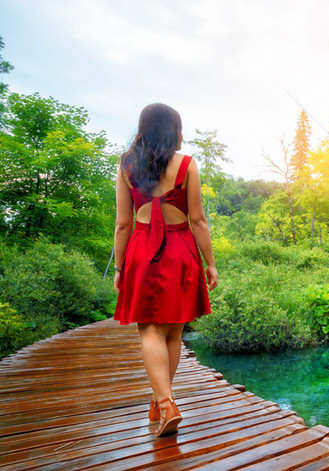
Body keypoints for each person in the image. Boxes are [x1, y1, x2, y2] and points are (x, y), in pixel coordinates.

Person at [113, 103, 218, 438]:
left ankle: (165, 403)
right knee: (173, 332)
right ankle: (162, 402)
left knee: (149, 330)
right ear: (173, 130)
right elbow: (198, 220)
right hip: (181, 251)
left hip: (143, 250)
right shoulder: (187, 164)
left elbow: (122, 224)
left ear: (144, 128)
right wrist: (211, 263)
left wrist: (119, 266)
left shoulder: (127, 165)